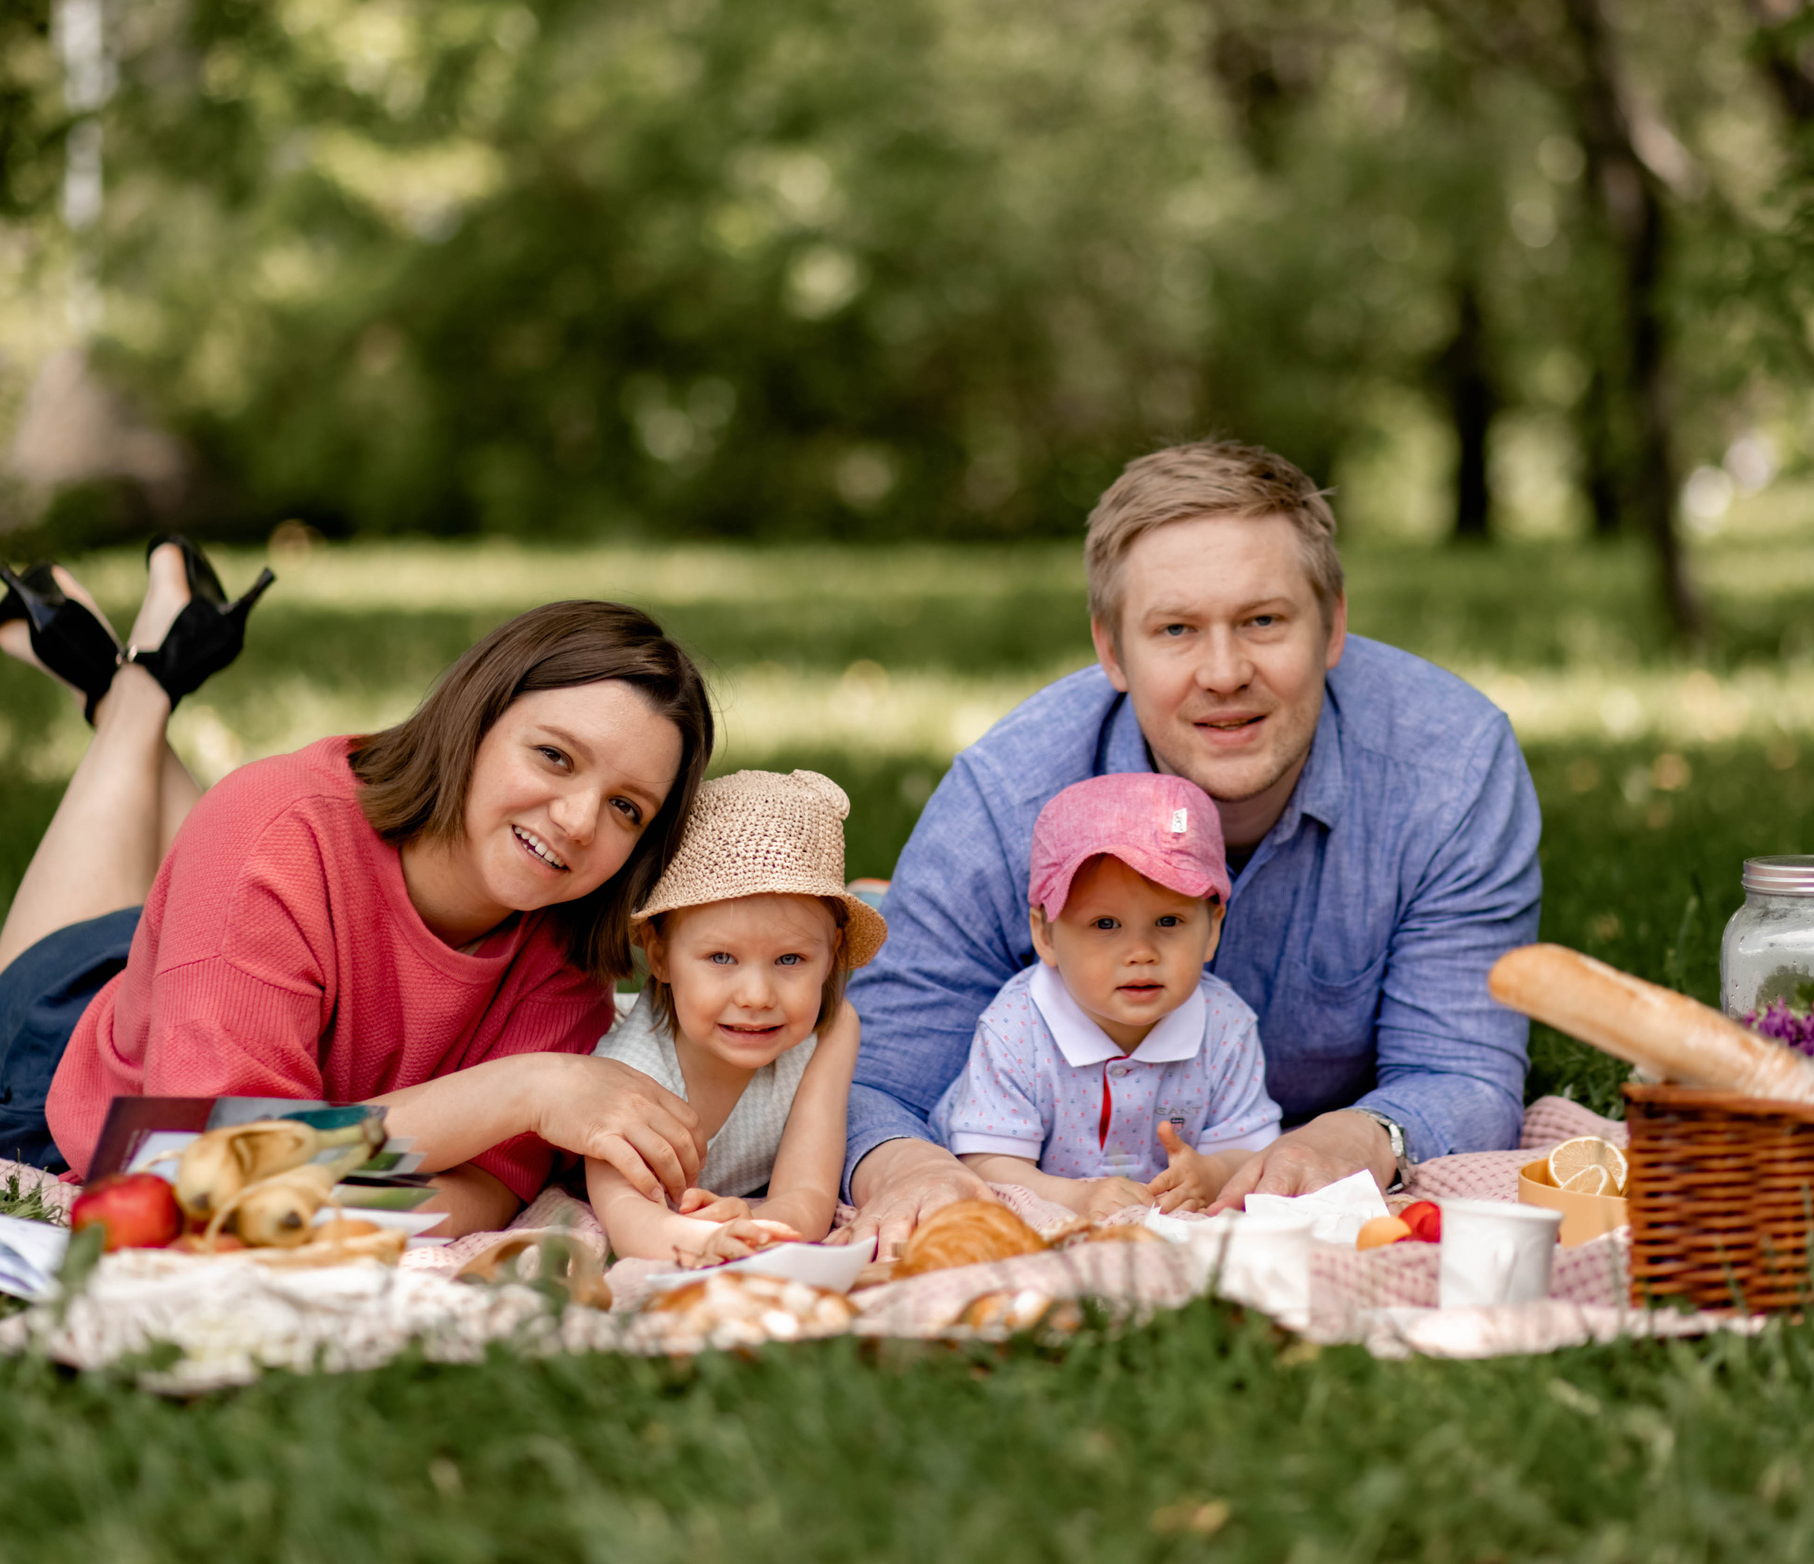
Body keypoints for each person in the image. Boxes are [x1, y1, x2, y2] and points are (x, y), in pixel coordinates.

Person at [0, 537, 718, 1236]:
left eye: (626, 807)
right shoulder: (276, 831)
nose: (577, 819)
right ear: (477, 714)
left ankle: (120, 678)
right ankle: (136, 691)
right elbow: (206, 1171)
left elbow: (483, 1193)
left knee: (247, 837)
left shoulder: (565, 945)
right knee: (256, 825)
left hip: (224, 966)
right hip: (69, 1054)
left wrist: (302, 1188)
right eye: (554, 755)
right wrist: (525, 1089)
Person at [844, 441, 1542, 1254]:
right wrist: (901, 1167)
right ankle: (886, 901)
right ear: (1111, 650)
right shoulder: (1007, 796)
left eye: (1264, 620)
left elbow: (1463, 1067)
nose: (1223, 671)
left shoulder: (1452, 768)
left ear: (1333, 624)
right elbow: (880, 1076)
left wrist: (1355, 1140)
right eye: (1176, 628)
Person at [935, 772, 1280, 1218]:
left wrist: (1212, 1174)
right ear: (1045, 934)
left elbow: (1249, 1151)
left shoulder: (1226, 1027)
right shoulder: (1016, 1029)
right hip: (1045, 1219)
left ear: (1212, 928)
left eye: (1169, 922)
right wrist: (1075, 1199)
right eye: (1105, 924)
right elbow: (988, 1165)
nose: (1141, 953)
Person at [585, 769, 882, 1266]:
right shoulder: (625, 1070)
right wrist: (698, 1245)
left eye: (790, 960)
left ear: (831, 954)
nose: (756, 996)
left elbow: (808, 1190)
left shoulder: (830, 1030)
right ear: (659, 955)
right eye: (721, 958)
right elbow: (625, 1214)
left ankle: (876, 896)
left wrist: (760, 1230)